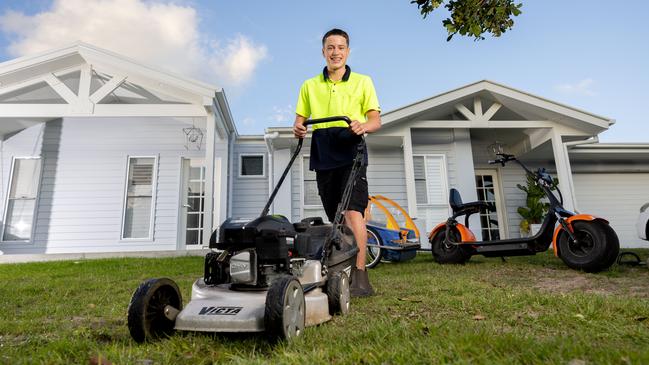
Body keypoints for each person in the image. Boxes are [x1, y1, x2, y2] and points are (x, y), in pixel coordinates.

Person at [293, 28, 381, 297]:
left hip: (350, 146)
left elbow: (375, 120)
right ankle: (340, 270)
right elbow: (299, 121)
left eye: (340, 47)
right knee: (336, 216)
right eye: (330, 47)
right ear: (323, 51)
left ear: (348, 51)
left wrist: (362, 125)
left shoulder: (363, 81)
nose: (335, 52)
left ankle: (360, 276)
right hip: (322, 148)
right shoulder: (309, 85)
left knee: (353, 211)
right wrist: (298, 128)